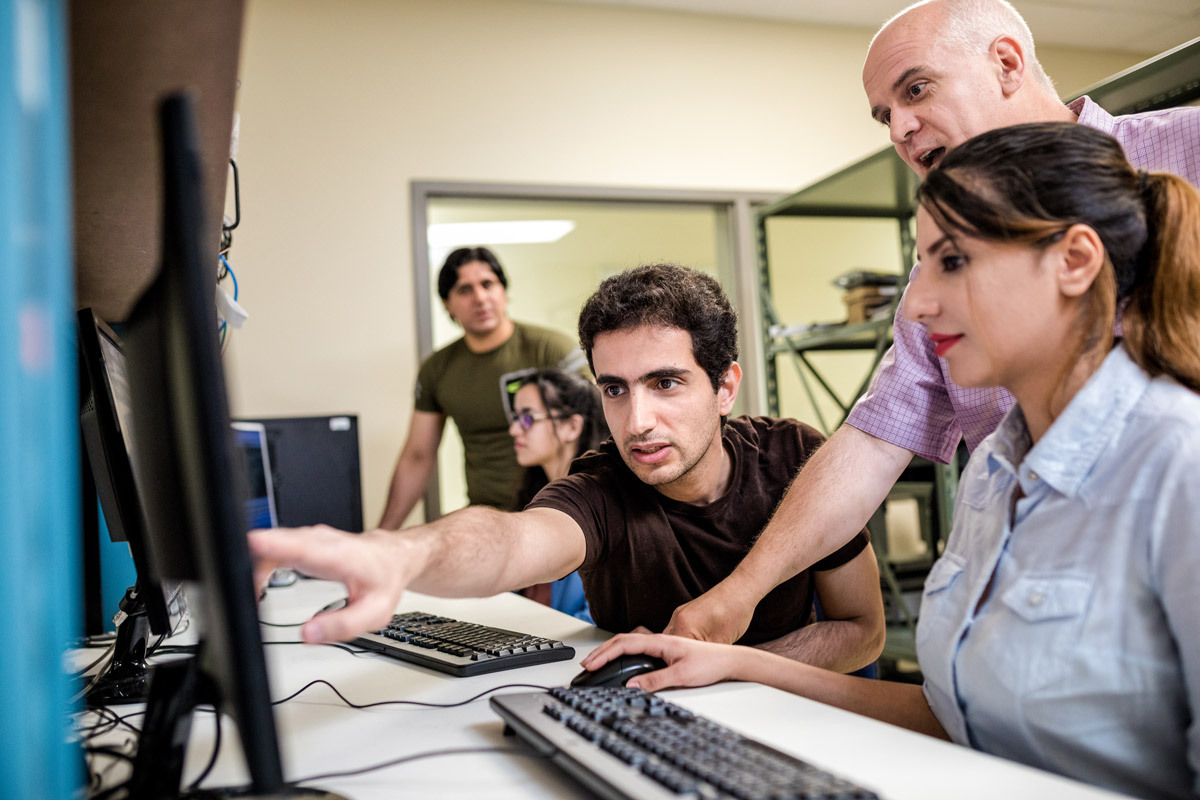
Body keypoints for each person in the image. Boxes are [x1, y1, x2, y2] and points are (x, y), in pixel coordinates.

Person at [583, 122, 1200, 800]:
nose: (915, 303)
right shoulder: (995, 467)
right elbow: (956, 720)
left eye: (952, 261)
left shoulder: (1178, 463)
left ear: (1074, 260)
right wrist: (731, 665)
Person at [664, 0, 1200, 645]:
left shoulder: (1186, 149)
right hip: (1035, 610)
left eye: (916, 89)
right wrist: (739, 596)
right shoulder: (938, 292)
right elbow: (874, 441)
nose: (898, 129)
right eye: (885, 115)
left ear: (1006, 63)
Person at [252, 264, 886, 673]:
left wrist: (735, 665)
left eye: (665, 383)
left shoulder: (796, 457)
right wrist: (401, 554)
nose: (636, 420)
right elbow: (509, 543)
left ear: (725, 388)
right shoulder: (602, 487)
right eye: (614, 389)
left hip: (803, 721)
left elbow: (863, 631)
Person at [378, 246, 583, 530]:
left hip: (557, 510)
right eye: (464, 290)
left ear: (503, 291)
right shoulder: (437, 370)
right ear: (447, 305)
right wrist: (383, 534)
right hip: (487, 518)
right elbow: (417, 456)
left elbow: (598, 429)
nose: (480, 297)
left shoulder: (551, 350)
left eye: (488, 284)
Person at [508, 369, 608, 622]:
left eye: (528, 418)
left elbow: (599, 624)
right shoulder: (532, 500)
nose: (514, 430)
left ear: (572, 427)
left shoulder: (605, 509)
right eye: (515, 417)